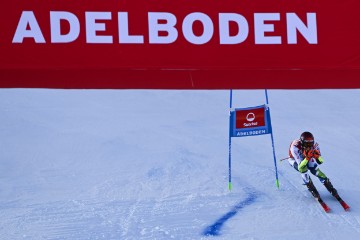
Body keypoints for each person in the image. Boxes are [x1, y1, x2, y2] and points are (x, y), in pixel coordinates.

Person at [288, 131, 341, 201]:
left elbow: (321, 161)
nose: (309, 146)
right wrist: (307, 158)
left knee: (314, 169)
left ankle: (329, 186)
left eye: (310, 143)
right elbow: (300, 167)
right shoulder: (295, 147)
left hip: (307, 157)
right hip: (295, 159)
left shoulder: (315, 146)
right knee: (303, 169)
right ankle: (311, 187)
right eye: (307, 143)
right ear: (302, 142)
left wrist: (317, 157)